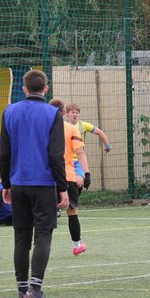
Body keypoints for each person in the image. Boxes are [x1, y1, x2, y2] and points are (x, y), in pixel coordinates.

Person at [0, 70, 68, 298]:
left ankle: (22, 294)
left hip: (18, 184)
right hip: (43, 184)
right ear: (46, 89)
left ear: (24, 88)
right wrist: (63, 187)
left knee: (21, 237)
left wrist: (6, 184)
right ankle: (35, 290)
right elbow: (56, 155)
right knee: (43, 235)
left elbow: (5, 152)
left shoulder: (9, 111)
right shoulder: (53, 113)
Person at [50, 99, 92, 256]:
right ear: (63, 113)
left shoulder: (42, 128)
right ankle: (77, 245)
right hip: (67, 176)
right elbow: (80, 153)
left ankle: (40, 247)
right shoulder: (72, 129)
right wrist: (87, 174)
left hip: (46, 177)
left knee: (43, 213)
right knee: (72, 211)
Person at [65, 102, 111, 192]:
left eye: (77, 113)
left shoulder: (83, 125)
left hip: (78, 160)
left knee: (78, 182)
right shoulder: (63, 126)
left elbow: (99, 132)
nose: (75, 115)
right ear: (67, 114)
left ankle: (75, 197)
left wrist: (107, 145)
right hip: (66, 160)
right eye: (72, 112)